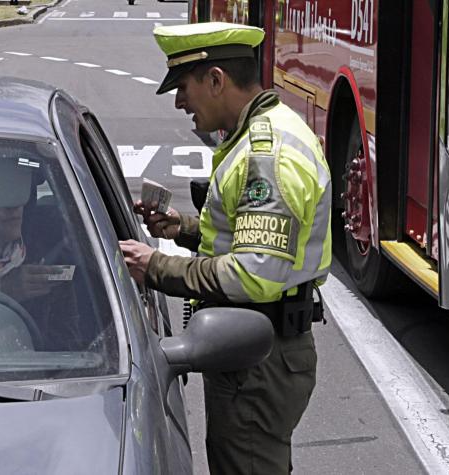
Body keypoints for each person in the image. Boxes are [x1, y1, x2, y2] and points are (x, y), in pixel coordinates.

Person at [118, 22, 331, 474]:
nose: (179, 102)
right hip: (259, 350)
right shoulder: (262, 133)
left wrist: (155, 266)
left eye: (183, 87)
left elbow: (253, 274)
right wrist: (183, 228)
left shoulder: (266, 156)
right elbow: (252, 236)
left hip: (257, 363)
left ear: (216, 80)